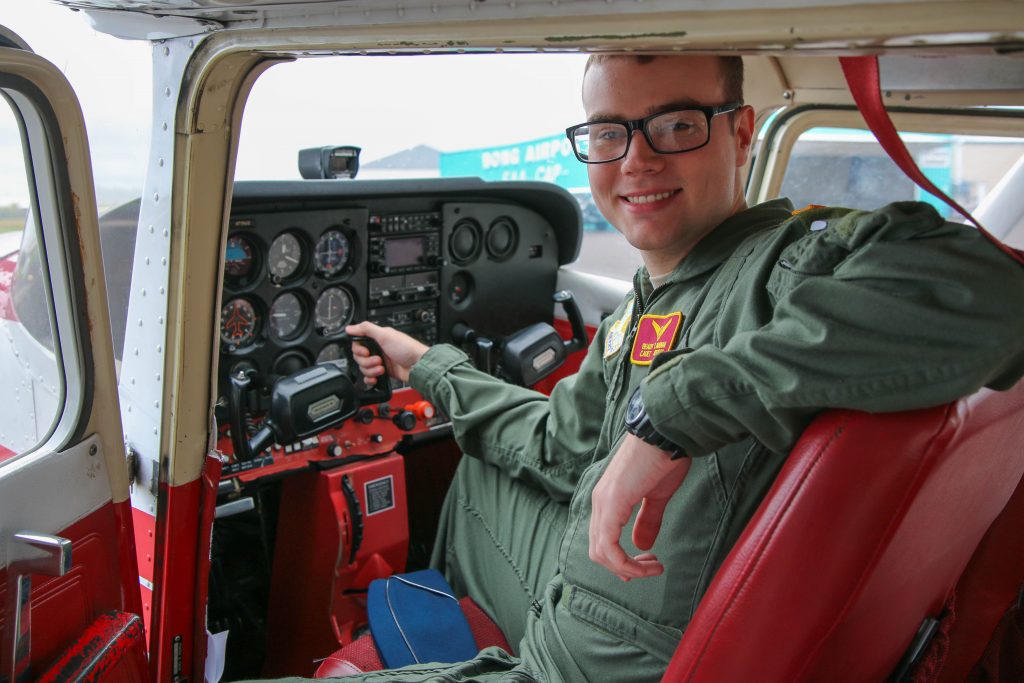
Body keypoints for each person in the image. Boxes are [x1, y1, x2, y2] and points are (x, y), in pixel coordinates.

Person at [283, 55, 1024, 682]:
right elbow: (556, 446)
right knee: (484, 464)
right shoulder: (653, 299)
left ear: (740, 132)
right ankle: (446, 619)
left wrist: (674, 411)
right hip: (630, 593)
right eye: (610, 132)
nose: (636, 160)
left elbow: (999, 293)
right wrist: (430, 365)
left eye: (674, 125)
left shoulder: (789, 263)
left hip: (605, 653)